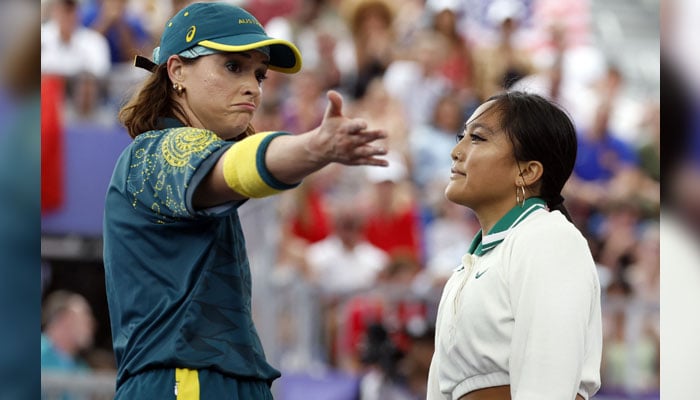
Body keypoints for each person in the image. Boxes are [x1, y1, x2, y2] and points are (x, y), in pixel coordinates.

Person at [102, 2, 388, 399]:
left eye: (259, 73)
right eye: (232, 67)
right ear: (177, 71)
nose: (253, 85)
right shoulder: (156, 150)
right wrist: (313, 147)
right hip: (185, 381)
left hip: (215, 378)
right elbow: (235, 167)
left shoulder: (185, 153)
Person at [426, 91, 602, 399]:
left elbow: (548, 386)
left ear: (527, 171)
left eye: (477, 139)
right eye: (461, 136)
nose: (456, 151)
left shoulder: (549, 238)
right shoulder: (470, 264)